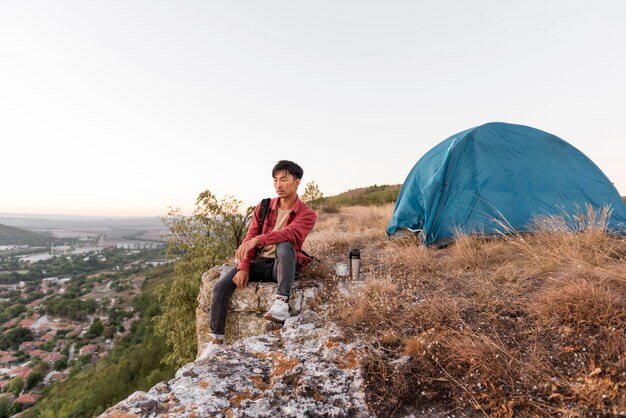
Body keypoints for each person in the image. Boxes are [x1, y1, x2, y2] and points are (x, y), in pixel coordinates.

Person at [197, 160, 317, 360]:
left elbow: (289, 232)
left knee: (285, 243)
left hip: (283, 265)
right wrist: (243, 266)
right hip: (260, 263)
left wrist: (258, 240)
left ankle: (281, 302)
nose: (278, 184)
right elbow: (249, 236)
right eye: (275, 180)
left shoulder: (307, 214)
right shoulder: (263, 207)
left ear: (297, 182)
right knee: (220, 287)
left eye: (284, 179)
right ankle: (216, 342)